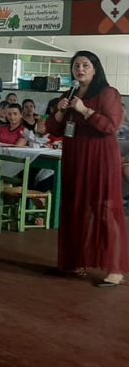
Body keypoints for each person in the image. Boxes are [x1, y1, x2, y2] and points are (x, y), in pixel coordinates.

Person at [46, 50, 129, 285]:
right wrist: (61, 110)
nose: (80, 69)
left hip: (100, 156)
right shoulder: (69, 93)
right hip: (75, 155)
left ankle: (114, 269)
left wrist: (84, 110)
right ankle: (74, 262)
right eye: (76, 66)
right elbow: (52, 129)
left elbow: (111, 126)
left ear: (95, 69)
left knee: (104, 209)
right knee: (74, 208)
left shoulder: (107, 93)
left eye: (85, 65)